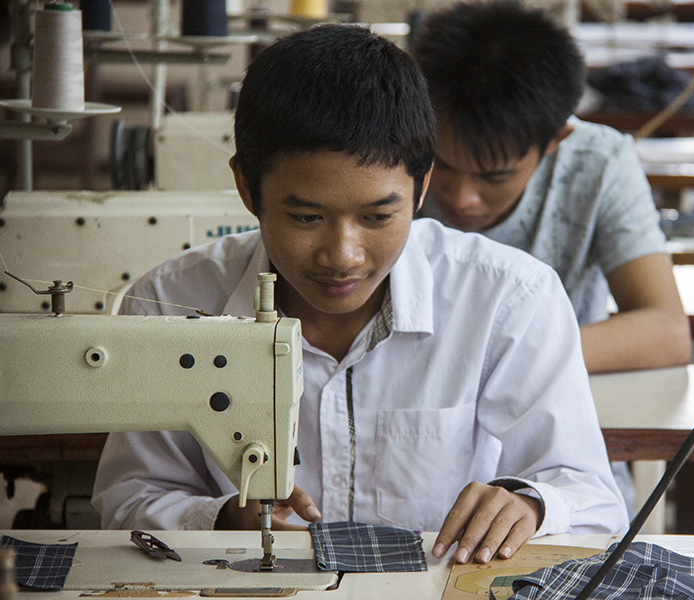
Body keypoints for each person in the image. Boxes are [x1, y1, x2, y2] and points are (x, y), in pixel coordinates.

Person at [91, 24, 629, 565]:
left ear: (421, 188)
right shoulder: (169, 302)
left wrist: (532, 506)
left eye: (377, 216)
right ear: (247, 189)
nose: (343, 254)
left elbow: (593, 503)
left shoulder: (508, 300)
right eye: (306, 216)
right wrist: (224, 517)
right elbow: (129, 498)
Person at [410, 0, 691, 376]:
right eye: (440, 164)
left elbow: (667, 331)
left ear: (556, 140)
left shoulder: (598, 163)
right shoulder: (395, 149)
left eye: (495, 176)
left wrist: (486, 360)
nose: (462, 198)